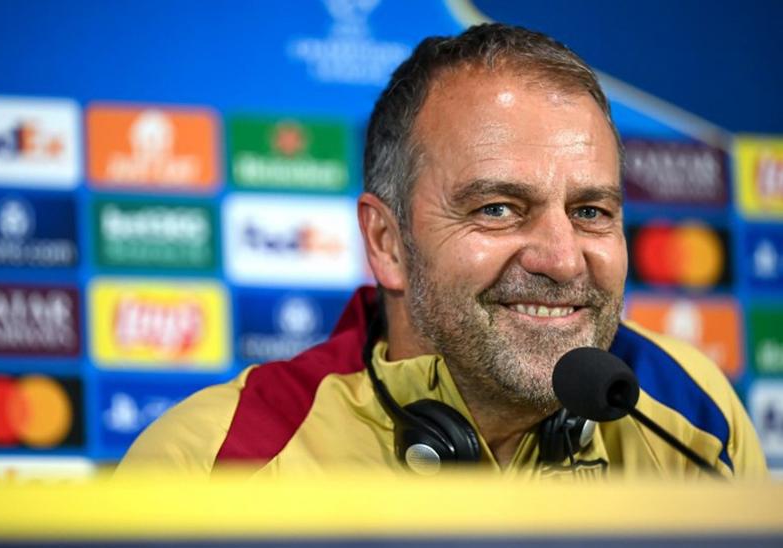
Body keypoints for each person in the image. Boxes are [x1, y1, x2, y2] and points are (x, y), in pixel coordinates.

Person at [117, 23, 767, 479]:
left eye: (589, 212)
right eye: (498, 209)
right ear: (387, 243)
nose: (563, 260)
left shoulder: (693, 414)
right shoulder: (208, 466)